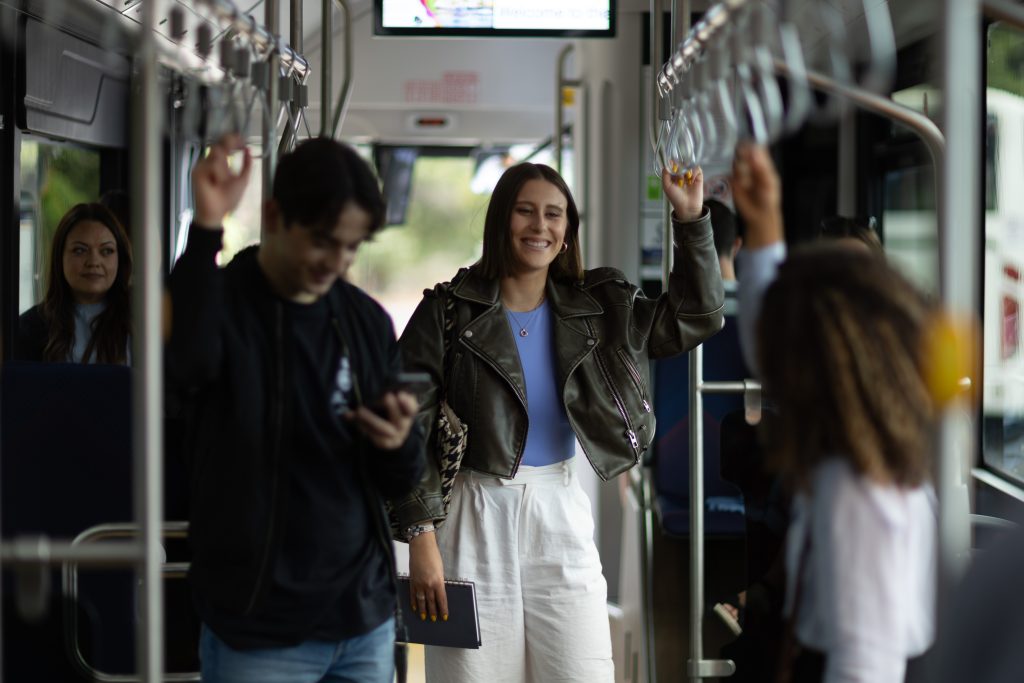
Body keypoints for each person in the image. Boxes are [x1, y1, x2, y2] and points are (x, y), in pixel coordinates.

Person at [393, 162, 725, 681]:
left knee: (583, 671)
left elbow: (694, 317)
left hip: (562, 507)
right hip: (474, 512)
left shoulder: (601, 305)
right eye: (525, 211)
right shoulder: (447, 310)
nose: (539, 226)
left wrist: (690, 219)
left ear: (568, 230)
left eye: (554, 214)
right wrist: (420, 536)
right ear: (501, 221)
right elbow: (404, 428)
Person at [166, 134, 424, 683]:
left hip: (361, 617)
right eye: (323, 241)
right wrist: (206, 229)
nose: (336, 262)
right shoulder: (223, 303)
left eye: (352, 248)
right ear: (275, 215)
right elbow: (186, 364)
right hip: (258, 624)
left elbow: (400, 479)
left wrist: (399, 443)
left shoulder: (363, 321)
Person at [733, 144, 937, 683]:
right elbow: (767, 344)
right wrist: (765, 229)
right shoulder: (857, 433)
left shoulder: (859, 488)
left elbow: (864, 664)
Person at [16, 202, 132, 364]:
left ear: (120, 259)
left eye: (106, 251)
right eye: (80, 250)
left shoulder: (141, 323)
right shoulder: (29, 328)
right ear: (60, 257)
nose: (93, 262)